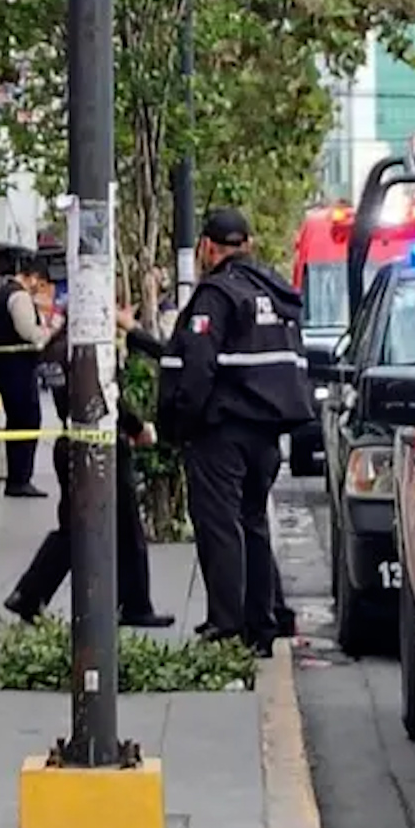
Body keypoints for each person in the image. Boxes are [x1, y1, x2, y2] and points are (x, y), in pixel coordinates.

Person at [160, 208, 312, 656]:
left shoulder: (216, 294)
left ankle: (226, 626)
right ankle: (260, 626)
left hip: (221, 432)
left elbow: (198, 368)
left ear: (208, 247)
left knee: (219, 526)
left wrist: (181, 423)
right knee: (253, 522)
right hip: (267, 435)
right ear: (249, 244)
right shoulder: (275, 293)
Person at [3, 305, 175, 628]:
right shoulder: (91, 350)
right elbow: (105, 399)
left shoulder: (56, 347)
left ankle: (29, 593)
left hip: (68, 441)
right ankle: (135, 603)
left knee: (74, 526)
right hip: (102, 445)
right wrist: (138, 428)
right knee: (126, 525)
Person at [0, 249, 64, 497]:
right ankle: (20, 479)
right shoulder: (18, 297)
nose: (38, 290)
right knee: (26, 420)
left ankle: (18, 478)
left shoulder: (3, 293)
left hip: (7, 367)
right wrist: (52, 328)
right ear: (32, 277)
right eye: (39, 284)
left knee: (18, 421)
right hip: (18, 370)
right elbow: (32, 336)